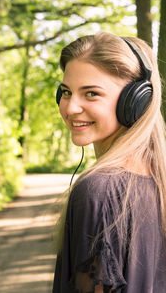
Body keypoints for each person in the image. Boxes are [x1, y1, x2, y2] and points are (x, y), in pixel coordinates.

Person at [52, 31, 166, 293]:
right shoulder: (157, 180)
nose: (70, 108)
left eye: (91, 93)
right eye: (66, 92)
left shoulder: (98, 191)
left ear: (136, 100)